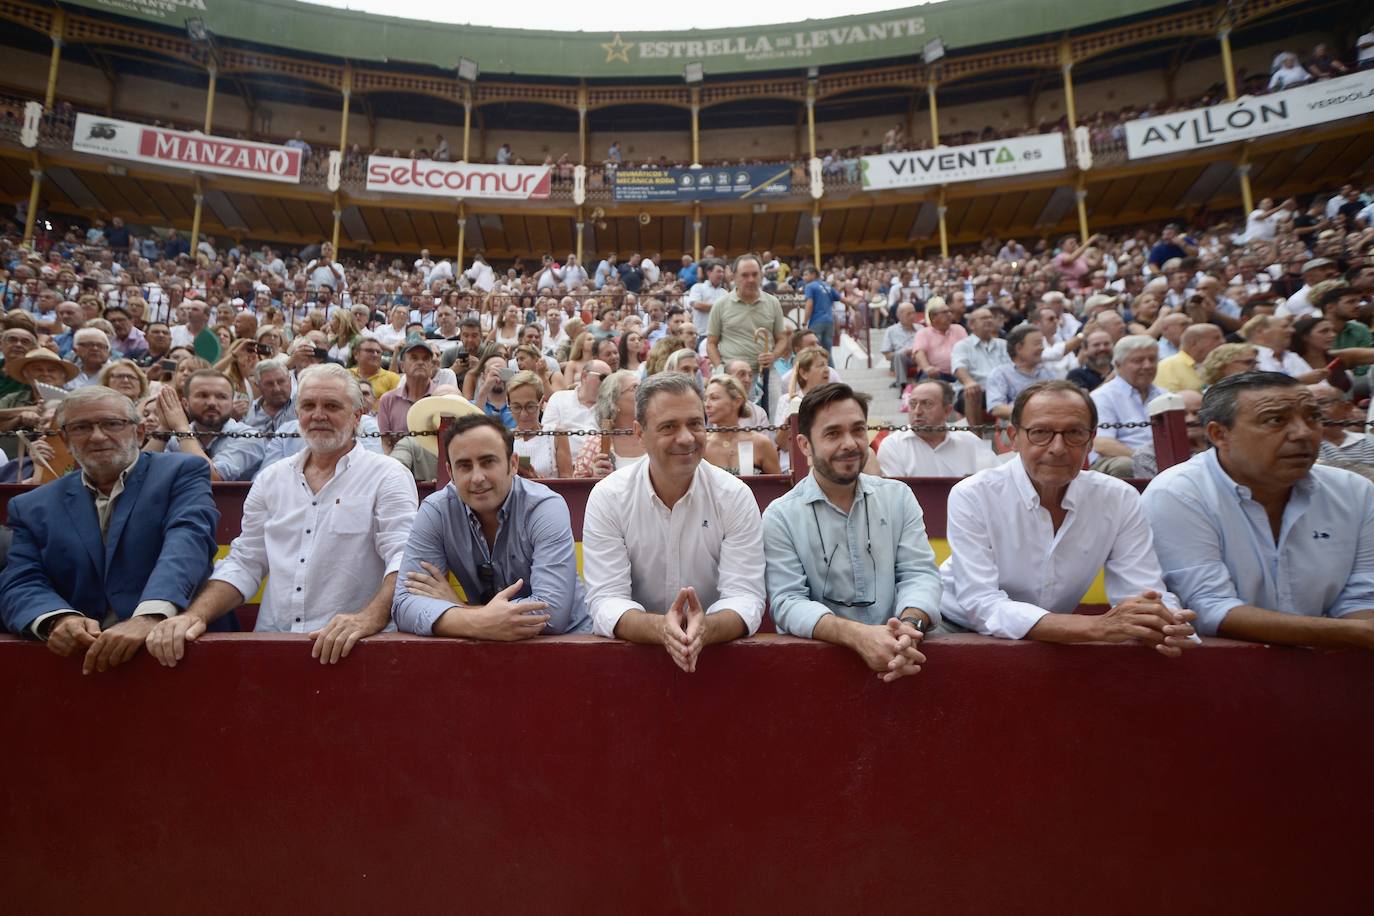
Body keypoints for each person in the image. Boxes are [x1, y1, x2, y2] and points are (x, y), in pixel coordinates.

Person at [147, 364, 419, 666]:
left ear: (356, 417)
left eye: (331, 406)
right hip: (274, 644)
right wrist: (194, 616)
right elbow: (246, 561)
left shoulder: (388, 475)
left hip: (355, 649)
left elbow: (403, 556)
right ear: (297, 414)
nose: (318, 415)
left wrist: (368, 618)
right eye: (308, 406)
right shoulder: (271, 478)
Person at [942, 380, 1198, 655]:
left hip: (1054, 634)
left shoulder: (1119, 498)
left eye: (1074, 433)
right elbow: (981, 603)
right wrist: (1095, 628)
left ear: (1091, 440)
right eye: (1040, 432)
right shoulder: (974, 494)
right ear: (1013, 436)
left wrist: (1165, 624)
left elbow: (1141, 588)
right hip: (954, 625)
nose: (1058, 448)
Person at [1142, 372, 1374, 648]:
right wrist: (1355, 635)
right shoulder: (1179, 492)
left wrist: (1357, 636)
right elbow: (1209, 609)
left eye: (1313, 417)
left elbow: (1361, 599)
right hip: (1223, 673)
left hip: (1338, 668)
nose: (1303, 433)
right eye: (1276, 420)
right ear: (1219, 434)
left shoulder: (1354, 492)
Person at [0, 387, 222, 674]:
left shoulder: (182, 472)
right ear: (65, 439)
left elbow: (188, 541)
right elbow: (21, 580)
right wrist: (58, 619)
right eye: (81, 427)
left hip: (178, 654)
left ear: (140, 431)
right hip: (78, 664)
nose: (97, 436)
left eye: (112, 424)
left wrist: (149, 616)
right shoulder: (31, 506)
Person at [582, 373, 766, 672]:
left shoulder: (734, 496)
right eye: (669, 426)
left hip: (719, 664)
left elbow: (745, 596)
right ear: (639, 433)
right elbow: (606, 600)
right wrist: (660, 629)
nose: (686, 437)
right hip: (631, 666)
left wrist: (705, 629)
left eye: (695, 423)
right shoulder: (608, 497)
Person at [763, 384, 941, 682]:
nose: (850, 443)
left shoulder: (899, 497)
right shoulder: (780, 515)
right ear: (805, 445)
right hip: (815, 675)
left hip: (906, 659)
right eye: (833, 434)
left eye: (858, 430)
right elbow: (788, 602)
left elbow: (919, 574)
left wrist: (910, 628)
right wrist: (858, 636)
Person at [393, 413, 589, 637]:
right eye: (465, 466)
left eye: (488, 462)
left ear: (513, 464)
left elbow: (552, 614)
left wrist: (462, 611)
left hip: (570, 648)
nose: (477, 477)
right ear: (450, 473)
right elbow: (403, 604)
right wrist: (478, 620)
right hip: (485, 649)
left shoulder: (544, 507)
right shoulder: (437, 510)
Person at [142, 369, 265, 481]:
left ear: (232, 403)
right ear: (185, 404)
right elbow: (140, 473)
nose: (212, 403)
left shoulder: (250, 436)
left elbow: (212, 478)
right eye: (203, 395)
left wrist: (182, 428)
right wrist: (165, 427)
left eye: (221, 397)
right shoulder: (176, 436)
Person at [878, 380, 996, 477]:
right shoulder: (892, 445)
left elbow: (994, 481)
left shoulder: (971, 441)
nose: (917, 411)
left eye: (927, 404)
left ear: (947, 411)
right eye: (913, 404)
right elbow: (894, 496)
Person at [706, 254, 789, 391]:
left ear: (761, 275)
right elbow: (711, 342)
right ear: (734, 277)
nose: (751, 279)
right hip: (732, 376)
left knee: (772, 413)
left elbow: (782, 338)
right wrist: (720, 369)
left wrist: (773, 356)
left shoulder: (772, 303)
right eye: (745, 275)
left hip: (765, 373)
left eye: (755, 274)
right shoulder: (721, 304)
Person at [1090, 335, 1165, 476]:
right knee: (1125, 465)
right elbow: (1102, 444)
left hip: (1161, 461)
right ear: (1118, 365)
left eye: (1152, 359)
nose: (1148, 365)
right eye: (1138, 361)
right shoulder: (1102, 397)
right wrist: (1148, 461)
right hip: (1116, 461)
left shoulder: (1165, 395)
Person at [571, 369, 645, 478]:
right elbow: (577, 489)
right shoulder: (595, 443)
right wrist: (594, 478)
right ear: (614, 400)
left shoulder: (655, 435)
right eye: (635, 388)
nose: (643, 392)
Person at [702, 375, 780, 475]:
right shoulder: (703, 445)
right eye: (705, 399)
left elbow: (777, 485)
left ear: (737, 402)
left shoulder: (760, 443)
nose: (707, 404)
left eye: (714, 398)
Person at [377, 340, 438, 449]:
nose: (420, 362)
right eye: (414, 358)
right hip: (397, 462)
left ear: (431, 367)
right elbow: (386, 443)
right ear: (402, 366)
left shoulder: (441, 398)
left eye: (425, 359)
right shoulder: (387, 400)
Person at [985, 324, 1055, 419]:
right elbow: (996, 408)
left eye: (1041, 343)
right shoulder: (1001, 373)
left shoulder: (1046, 371)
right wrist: (1034, 414)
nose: (1042, 348)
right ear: (1019, 348)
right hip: (1016, 427)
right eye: (1037, 344)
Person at [507, 371, 558, 478]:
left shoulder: (556, 435)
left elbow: (567, 483)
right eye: (516, 407)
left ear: (541, 402)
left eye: (530, 407)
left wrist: (536, 481)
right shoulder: (503, 438)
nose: (523, 414)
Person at [907, 297, 966, 384]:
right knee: (927, 379)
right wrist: (927, 367)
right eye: (945, 313)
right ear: (933, 317)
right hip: (936, 373)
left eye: (950, 311)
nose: (950, 314)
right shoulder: (923, 333)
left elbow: (968, 349)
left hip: (960, 372)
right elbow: (919, 353)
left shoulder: (959, 329)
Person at [1154, 323, 1224, 392]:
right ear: (1194, 343)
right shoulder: (1168, 366)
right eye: (1216, 338)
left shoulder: (1220, 364)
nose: (1223, 341)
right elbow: (1169, 400)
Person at [243, 358, 297, 434]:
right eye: (269, 384)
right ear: (257, 386)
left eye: (281, 381)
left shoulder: (303, 404)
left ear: (290, 380)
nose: (277, 389)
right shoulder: (247, 412)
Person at [802, 266, 839, 360]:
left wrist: (805, 322)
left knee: (815, 353)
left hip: (816, 322)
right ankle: (832, 374)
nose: (803, 277)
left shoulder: (810, 286)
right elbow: (841, 298)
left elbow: (809, 305)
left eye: (806, 274)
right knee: (827, 354)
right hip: (830, 323)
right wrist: (854, 304)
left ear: (813, 274)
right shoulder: (827, 285)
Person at [882, 302, 920, 387]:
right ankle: (902, 384)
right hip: (901, 359)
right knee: (899, 355)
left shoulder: (921, 328)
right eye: (908, 314)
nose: (912, 316)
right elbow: (887, 355)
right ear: (899, 316)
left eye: (913, 313)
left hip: (919, 356)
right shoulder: (891, 331)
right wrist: (904, 352)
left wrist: (913, 350)